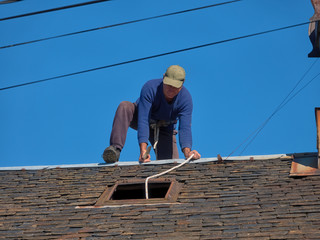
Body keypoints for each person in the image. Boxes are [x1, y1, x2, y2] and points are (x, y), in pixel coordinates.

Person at [102, 65, 201, 163]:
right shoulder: (150, 88)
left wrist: (187, 152)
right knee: (125, 106)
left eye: (175, 87)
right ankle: (115, 150)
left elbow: (185, 128)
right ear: (163, 78)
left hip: (164, 128)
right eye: (168, 85)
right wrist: (143, 151)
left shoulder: (185, 99)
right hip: (141, 117)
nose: (171, 89)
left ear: (182, 83)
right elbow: (143, 119)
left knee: (170, 165)